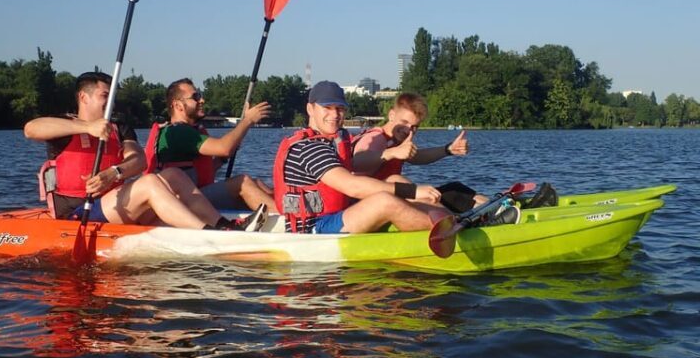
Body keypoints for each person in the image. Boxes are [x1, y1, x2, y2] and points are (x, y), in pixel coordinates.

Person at [24, 71, 266, 231]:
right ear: (83, 97)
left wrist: (115, 172)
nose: (110, 102)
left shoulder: (119, 126)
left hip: (113, 205)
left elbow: (138, 160)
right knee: (150, 183)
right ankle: (207, 234)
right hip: (78, 212)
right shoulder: (65, 125)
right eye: (104, 96)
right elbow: (31, 129)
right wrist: (87, 127)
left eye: (112, 96)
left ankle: (223, 226)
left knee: (173, 176)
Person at [272, 80, 453, 234]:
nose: (335, 114)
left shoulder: (333, 140)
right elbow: (352, 186)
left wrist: (446, 151)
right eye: (327, 107)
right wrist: (413, 191)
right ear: (310, 109)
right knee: (385, 201)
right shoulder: (309, 147)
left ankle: (450, 219)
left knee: (397, 184)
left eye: (340, 108)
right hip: (314, 229)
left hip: (339, 213)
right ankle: (446, 231)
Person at [145, 78, 277, 212]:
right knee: (242, 183)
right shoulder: (179, 132)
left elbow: (202, 171)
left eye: (200, 96)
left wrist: (222, 160)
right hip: (182, 203)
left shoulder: (185, 130)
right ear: (178, 105)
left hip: (194, 195)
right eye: (195, 97)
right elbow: (224, 148)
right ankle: (288, 223)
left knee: (257, 184)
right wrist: (248, 120)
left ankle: (285, 211)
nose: (202, 100)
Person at [351, 92, 489, 213]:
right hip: (365, 206)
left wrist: (448, 149)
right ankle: (467, 219)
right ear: (391, 115)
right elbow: (357, 162)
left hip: (389, 197)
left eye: (414, 126)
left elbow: (417, 157)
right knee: (396, 180)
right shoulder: (376, 138)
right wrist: (392, 152)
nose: (408, 130)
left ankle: (494, 207)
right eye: (404, 122)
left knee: (455, 189)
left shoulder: (397, 140)